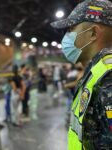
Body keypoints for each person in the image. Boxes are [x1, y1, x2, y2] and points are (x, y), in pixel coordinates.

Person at [51, 0, 112, 149]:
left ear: (93, 33)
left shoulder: (108, 81)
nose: (65, 37)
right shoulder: (96, 73)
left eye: (71, 29)